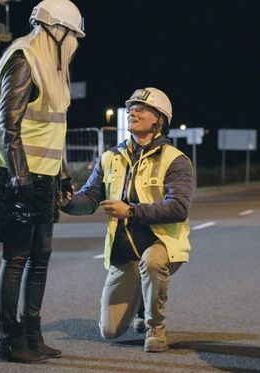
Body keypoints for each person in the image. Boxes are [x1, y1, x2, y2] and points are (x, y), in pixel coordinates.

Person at [0, 0, 84, 364]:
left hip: (42, 176)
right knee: (16, 258)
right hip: (19, 176)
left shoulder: (50, 68)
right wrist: (21, 176)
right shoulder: (24, 60)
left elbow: (48, 128)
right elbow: (8, 125)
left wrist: (61, 172)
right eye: (72, 35)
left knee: (41, 256)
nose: (75, 43)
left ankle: (33, 335)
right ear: (57, 31)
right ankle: (9, 342)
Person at [61, 87, 193, 353]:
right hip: (125, 252)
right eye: (132, 107)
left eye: (141, 108)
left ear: (158, 119)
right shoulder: (111, 157)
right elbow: (89, 199)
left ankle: (155, 326)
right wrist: (66, 201)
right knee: (109, 331)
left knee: (152, 261)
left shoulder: (175, 160)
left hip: (161, 245)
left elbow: (178, 207)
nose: (133, 111)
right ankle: (140, 302)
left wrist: (131, 211)